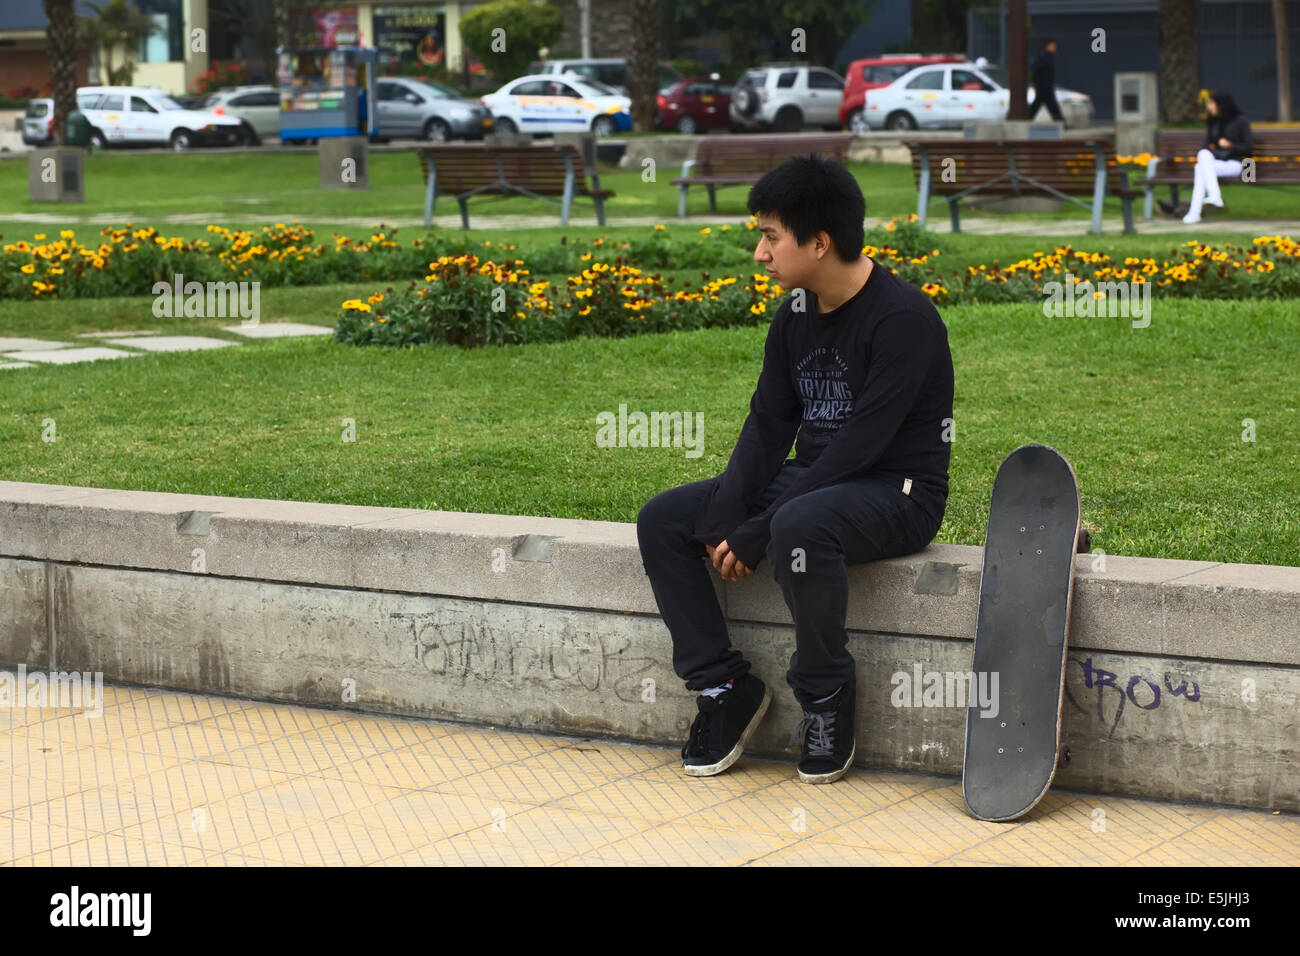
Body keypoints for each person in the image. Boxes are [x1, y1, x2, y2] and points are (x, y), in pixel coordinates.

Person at [636, 154, 954, 785]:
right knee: (666, 519)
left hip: (897, 492)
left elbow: (859, 448)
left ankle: (826, 696)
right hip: (817, 482)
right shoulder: (797, 314)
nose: (760, 253)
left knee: (798, 526)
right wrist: (729, 509)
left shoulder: (904, 321)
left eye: (770, 236)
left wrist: (761, 528)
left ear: (819, 242)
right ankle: (725, 687)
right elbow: (768, 424)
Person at [1158, 91, 1253, 224]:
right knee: (1202, 157)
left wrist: (1230, 145)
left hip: (1236, 164)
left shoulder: (1240, 121)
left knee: (1199, 167)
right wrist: (1213, 148)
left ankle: (1195, 212)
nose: (1208, 106)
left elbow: (1248, 148)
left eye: (1211, 103)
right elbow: (1206, 147)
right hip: (1214, 163)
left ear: (1221, 105)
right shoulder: (1213, 122)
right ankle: (1213, 197)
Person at [1028, 38, 1063, 122]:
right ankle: (1060, 121)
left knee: (1047, 105)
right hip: (1043, 87)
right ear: (1047, 46)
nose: (1054, 47)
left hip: (1046, 86)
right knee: (1050, 105)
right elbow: (1034, 69)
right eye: (1052, 45)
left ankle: (1060, 121)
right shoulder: (1042, 56)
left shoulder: (1048, 56)